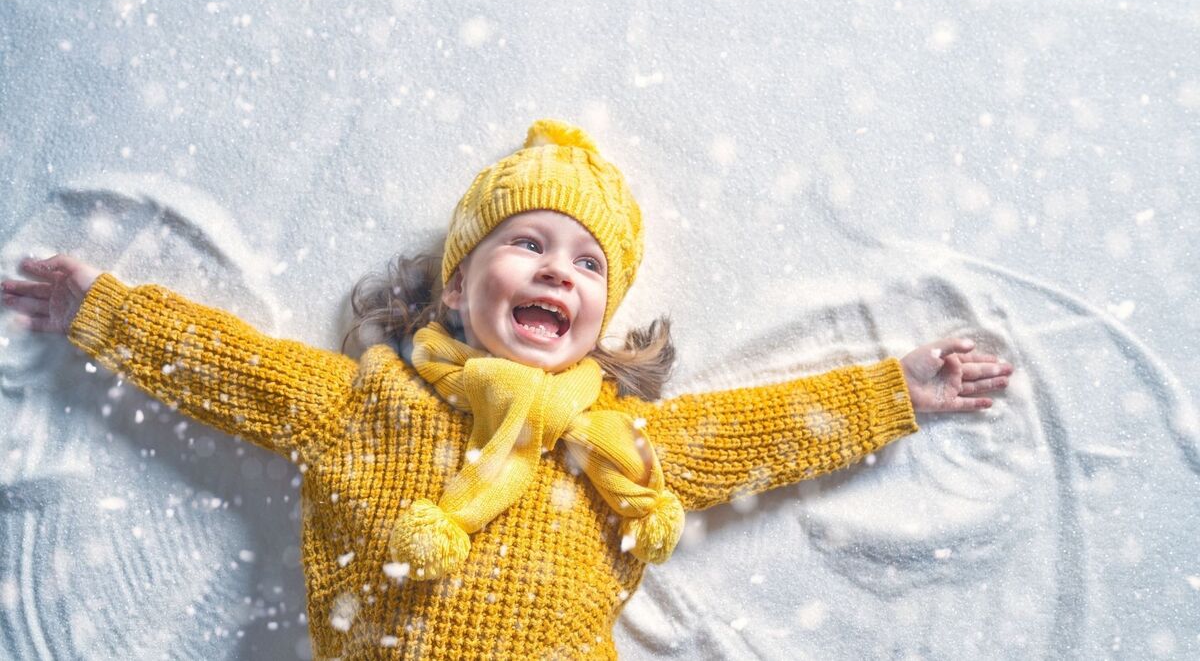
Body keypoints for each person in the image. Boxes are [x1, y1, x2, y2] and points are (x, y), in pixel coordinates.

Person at [0, 119, 1013, 658]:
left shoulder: (615, 443)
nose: (553, 271)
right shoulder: (365, 401)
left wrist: (898, 392)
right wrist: (102, 311)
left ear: (599, 324)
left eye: (585, 264)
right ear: (455, 284)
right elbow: (224, 365)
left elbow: (756, 431)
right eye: (525, 242)